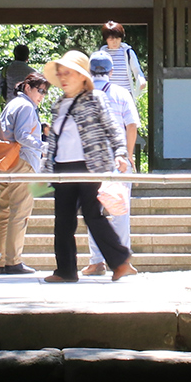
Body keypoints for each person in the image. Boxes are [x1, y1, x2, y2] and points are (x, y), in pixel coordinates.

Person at [40, 49, 135, 283]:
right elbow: (53, 140)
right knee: (63, 220)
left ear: (83, 76)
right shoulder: (58, 105)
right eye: (60, 73)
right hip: (62, 167)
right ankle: (65, 270)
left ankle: (120, 260)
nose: (63, 78)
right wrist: (45, 169)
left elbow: (113, 128)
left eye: (68, 73)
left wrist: (121, 153)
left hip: (90, 166)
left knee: (93, 215)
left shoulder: (96, 99)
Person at [83, 48, 139, 276]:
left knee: (93, 212)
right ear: (111, 71)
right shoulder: (122, 93)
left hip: (90, 161)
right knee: (121, 210)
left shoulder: (83, 94)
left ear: (89, 71)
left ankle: (97, 261)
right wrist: (128, 153)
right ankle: (124, 258)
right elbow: (132, 125)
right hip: (118, 161)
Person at [0, 72, 46, 276]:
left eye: (44, 92)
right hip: (22, 162)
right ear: (28, 88)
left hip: (5, 163)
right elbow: (23, 136)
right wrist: (44, 147)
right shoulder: (26, 106)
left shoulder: (12, 104)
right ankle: (13, 261)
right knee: (20, 212)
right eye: (40, 90)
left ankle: (2, 260)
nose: (42, 95)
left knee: (5, 212)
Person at [100, 21, 142, 96]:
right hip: (108, 95)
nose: (114, 42)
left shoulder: (128, 52)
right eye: (111, 39)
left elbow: (137, 71)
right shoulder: (101, 55)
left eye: (117, 38)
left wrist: (141, 80)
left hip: (126, 94)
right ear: (105, 39)